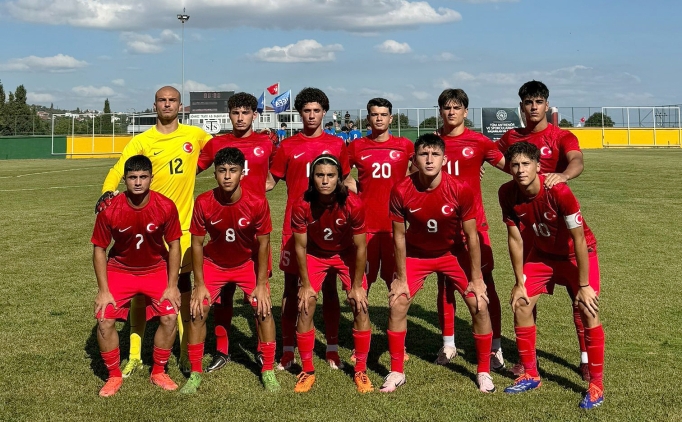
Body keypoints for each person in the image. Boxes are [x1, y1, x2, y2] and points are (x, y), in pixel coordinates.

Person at [97, 86, 212, 376]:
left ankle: (185, 353)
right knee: (138, 293)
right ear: (155, 105)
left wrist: (197, 167)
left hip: (181, 229)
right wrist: (107, 192)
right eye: (162, 100)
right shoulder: (142, 140)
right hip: (146, 228)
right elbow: (120, 168)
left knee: (181, 292)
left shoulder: (194, 136)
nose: (167, 104)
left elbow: (220, 152)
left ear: (180, 105)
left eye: (172, 100)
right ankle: (135, 355)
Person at [382, 134, 494, 394]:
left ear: (445, 159)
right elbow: (399, 236)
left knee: (479, 303)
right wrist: (400, 276)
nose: (429, 159)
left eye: (435, 154)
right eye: (423, 154)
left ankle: (484, 371)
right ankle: (397, 371)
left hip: (452, 253)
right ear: (415, 159)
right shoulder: (401, 190)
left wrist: (477, 279)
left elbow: (471, 236)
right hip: (417, 255)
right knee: (398, 302)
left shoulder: (460, 189)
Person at [498, 141, 604, 409]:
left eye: (525, 164)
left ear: (537, 166)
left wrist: (583, 284)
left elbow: (578, 239)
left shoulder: (559, 191)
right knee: (521, 303)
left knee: (588, 309)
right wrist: (519, 281)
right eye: (515, 165)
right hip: (543, 256)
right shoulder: (506, 193)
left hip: (576, 255)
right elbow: (515, 238)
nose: (520, 170)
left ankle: (596, 387)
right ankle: (531, 374)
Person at [497, 80, 588, 379]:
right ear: (521, 106)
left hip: (559, 223)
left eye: (538, 102)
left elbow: (577, 161)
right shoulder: (511, 137)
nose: (533, 107)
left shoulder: (560, 136)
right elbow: (491, 153)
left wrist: (562, 175)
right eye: (528, 102)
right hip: (528, 228)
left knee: (579, 295)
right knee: (525, 295)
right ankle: (527, 360)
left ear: (547, 105)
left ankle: (586, 357)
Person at [183, 147, 279, 393]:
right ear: (214, 173)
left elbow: (264, 243)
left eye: (233, 171)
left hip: (246, 264)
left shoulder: (257, 202)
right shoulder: (204, 201)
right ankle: (195, 373)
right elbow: (196, 244)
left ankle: (267, 369)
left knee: (263, 308)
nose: (227, 176)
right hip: (214, 265)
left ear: (242, 173)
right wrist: (199, 284)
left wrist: (260, 284)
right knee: (198, 309)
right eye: (222, 171)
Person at [268, 87, 351, 371]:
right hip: (295, 227)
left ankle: (331, 348)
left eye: (316, 110)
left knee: (329, 288)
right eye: (306, 110)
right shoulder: (288, 146)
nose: (312, 115)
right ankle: (288, 350)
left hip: (328, 227)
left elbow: (349, 181)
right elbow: (270, 182)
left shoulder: (338, 145)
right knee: (292, 289)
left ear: (324, 112)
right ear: (299, 113)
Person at [195, 93, 275, 372]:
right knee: (223, 296)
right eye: (235, 112)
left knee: (258, 295)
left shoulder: (267, 141)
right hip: (222, 226)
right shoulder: (217, 143)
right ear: (229, 115)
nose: (240, 117)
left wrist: (268, 184)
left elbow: (280, 171)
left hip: (253, 228)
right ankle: (222, 350)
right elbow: (191, 170)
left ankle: (263, 352)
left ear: (255, 114)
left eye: (246, 112)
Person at [92, 155, 182, 397]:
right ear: (125, 179)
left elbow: (174, 245)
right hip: (120, 270)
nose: (138, 182)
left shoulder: (165, 205)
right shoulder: (110, 209)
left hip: (155, 270)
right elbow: (99, 249)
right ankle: (113, 375)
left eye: (143, 177)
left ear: (152, 178)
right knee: (104, 318)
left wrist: (172, 286)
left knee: (170, 317)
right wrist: (103, 291)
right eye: (133, 177)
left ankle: (159, 371)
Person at [433, 89, 507, 370]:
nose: (451, 112)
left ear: (466, 111)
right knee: (445, 286)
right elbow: (414, 174)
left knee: (485, 285)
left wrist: (551, 175)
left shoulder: (478, 142)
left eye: (456, 107)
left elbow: (512, 168)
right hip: (440, 227)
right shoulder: (432, 142)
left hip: (474, 226)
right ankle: (449, 344)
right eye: (446, 107)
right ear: (440, 111)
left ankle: (495, 348)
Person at [291, 154, 372, 393]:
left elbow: (360, 247)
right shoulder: (302, 204)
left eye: (330, 176)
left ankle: (361, 370)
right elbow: (300, 246)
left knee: (360, 304)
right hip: (315, 254)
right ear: (312, 178)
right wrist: (305, 285)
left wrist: (356, 285)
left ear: (339, 179)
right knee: (306, 304)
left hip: (346, 253)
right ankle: (307, 370)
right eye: (319, 175)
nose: (325, 180)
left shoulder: (353, 203)